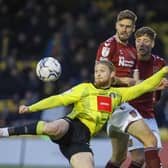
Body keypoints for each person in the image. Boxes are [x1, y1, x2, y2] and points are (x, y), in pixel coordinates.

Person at [0, 60, 168, 168]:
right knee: (53, 128)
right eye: (96, 71)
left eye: (102, 70)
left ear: (112, 74)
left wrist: (163, 70)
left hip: (81, 140)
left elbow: (144, 86)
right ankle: (5, 131)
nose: (98, 73)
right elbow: (58, 99)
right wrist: (31, 108)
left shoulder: (118, 94)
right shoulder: (84, 88)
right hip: (71, 125)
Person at [96, 9, 140, 168]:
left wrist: (153, 85)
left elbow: (135, 82)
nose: (124, 29)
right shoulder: (108, 45)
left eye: (128, 26)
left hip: (128, 103)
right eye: (121, 25)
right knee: (147, 145)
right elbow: (100, 76)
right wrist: (123, 81)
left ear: (133, 28)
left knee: (119, 157)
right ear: (116, 25)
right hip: (114, 102)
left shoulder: (133, 51)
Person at [126, 27, 167, 167]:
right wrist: (154, 85)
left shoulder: (160, 63)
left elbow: (157, 98)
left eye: (146, 41)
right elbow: (132, 88)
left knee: (151, 159)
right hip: (130, 114)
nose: (141, 44)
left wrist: (161, 87)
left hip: (149, 115)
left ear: (153, 44)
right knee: (139, 158)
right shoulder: (128, 61)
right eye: (138, 41)